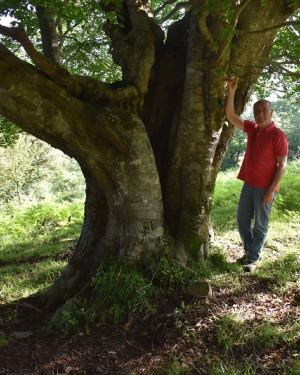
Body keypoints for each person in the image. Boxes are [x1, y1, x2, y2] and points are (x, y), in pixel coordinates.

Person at [226, 77, 289, 272]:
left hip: (266, 188)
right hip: (249, 184)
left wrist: (271, 190)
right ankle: (249, 251)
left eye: (264, 111)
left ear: (271, 112)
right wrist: (231, 91)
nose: (260, 114)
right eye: (257, 111)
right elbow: (230, 116)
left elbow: (282, 165)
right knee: (242, 221)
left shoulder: (278, 135)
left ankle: (252, 259)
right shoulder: (252, 128)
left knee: (260, 225)